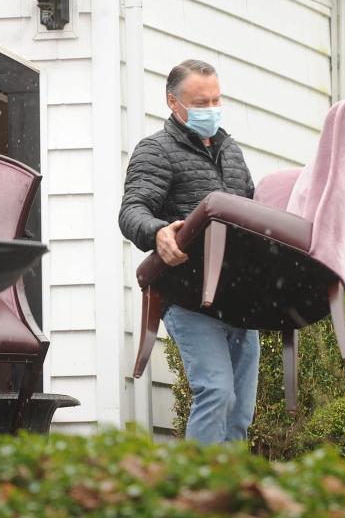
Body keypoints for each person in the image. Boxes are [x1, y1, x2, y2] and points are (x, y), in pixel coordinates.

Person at [118, 59, 259, 444]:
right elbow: (132, 211)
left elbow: (250, 208)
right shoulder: (156, 151)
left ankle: (228, 497)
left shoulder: (231, 151)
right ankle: (195, 495)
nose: (211, 109)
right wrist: (158, 232)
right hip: (188, 297)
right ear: (173, 103)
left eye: (216, 100)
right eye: (200, 103)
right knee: (216, 391)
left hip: (241, 302)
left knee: (240, 413)